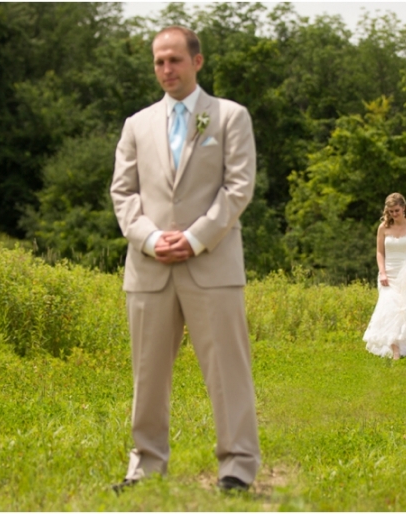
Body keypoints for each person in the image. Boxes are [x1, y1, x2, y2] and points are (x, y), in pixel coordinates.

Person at [109, 25, 259, 493]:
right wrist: (152, 239)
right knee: (147, 375)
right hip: (150, 267)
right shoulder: (136, 125)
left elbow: (238, 188)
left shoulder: (230, 117)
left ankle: (236, 467)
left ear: (197, 61)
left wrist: (194, 238)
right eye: (158, 61)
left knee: (227, 370)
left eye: (174, 59)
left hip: (212, 264)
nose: (166, 69)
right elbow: (123, 192)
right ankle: (145, 466)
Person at [363, 193, 406, 359]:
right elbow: (380, 252)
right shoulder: (383, 228)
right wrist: (382, 273)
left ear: (403, 208)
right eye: (391, 211)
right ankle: (395, 351)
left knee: (405, 311)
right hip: (388, 274)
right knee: (390, 309)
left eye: (397, 210)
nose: (394, 214)